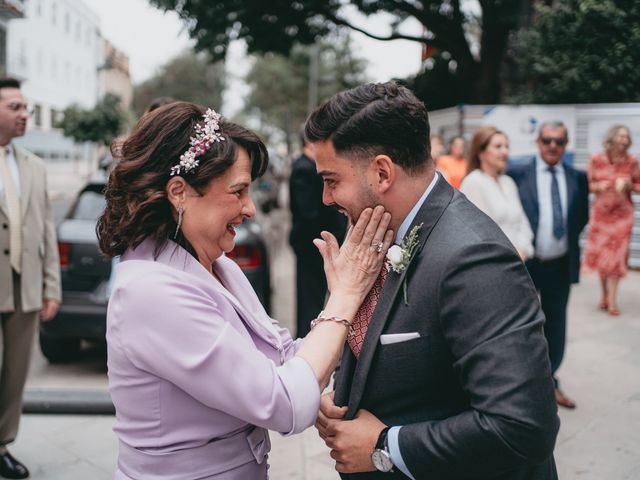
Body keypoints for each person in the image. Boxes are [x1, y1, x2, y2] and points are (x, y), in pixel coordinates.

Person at [96, 102, 394, 479]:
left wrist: (315, 383)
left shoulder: (218, 267)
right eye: (237, 192)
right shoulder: (150, 293)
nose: (250, 208)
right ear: (179, 192)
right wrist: (345, 297)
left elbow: (284, 357)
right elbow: (283, 403)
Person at [307, 82, 559, 479]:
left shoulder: (473, 257)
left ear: (382, 172)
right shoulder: (374, 234)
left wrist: (383, 446)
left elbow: (523, 427)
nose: (325, 198)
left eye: (332, 180)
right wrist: (339, 393)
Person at [0, 77, 61, 479]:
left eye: (27, 109)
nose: (25, 115)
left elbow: (46, 231)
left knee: (14, 374)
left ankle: (2, 445)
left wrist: (50, 286)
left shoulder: (34, 167)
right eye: (15, 108)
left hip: (24, 289)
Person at [508, 121, 589, 410]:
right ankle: (520, 385)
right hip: (527, 264)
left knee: (555, 325)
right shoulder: (517, 174)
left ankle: (550, 380)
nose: (552, 146)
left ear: (565, 145)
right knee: (520, 325)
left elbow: (581, 218)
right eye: (547, 140)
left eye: (558, 141)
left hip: (559, 265)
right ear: (538, 143)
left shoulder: (577, 177)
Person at [289, 135, 347, 336]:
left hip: (316, 241)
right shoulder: (303, 169)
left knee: (317, 294)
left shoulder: (308, 166)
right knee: (310, 297)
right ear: (309, 143)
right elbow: (308, 212)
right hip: (310, 244)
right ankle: (307, 337)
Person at [582, 125, 640, 316]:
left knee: (617, 257)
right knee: (603, 257)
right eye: (621, 136)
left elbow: (639, 185)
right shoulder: (596, 159)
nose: (624, 140)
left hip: (623, 217)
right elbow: (587, 185)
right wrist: (601, 185)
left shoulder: (632, 161)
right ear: (613, 137)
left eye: (627, 136)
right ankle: (604, 295)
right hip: (602, 216)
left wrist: (630, 184)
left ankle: (613, 300)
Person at [460, 125, 534, 260]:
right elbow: (479, 233)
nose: (505, 151)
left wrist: (522, 249)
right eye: (498, 146)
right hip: (491, 264)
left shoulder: (508, 182)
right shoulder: (473, 182)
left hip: (519, 263)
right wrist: (509, 255)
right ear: (481, 152)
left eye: (507, 146)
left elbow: (524, 224)